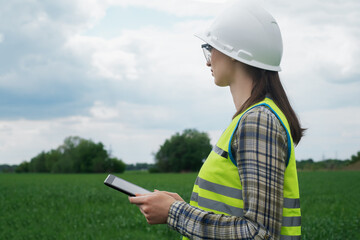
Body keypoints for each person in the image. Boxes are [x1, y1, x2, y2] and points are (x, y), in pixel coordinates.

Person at [129, 1, 304, 239]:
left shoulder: (258, 122)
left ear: (234, 53)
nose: (208, 59)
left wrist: (174, 212)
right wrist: (187, 208)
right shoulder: (249, 118)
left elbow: (260, 233)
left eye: (210, 47)